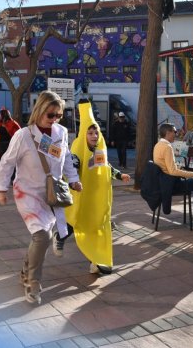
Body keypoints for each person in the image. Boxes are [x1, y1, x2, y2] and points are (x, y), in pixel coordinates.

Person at [0, 90, 82, 305]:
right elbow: (7, 162)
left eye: (58, 115)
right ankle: (33, 283)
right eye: (50, 115)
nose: (54, 119)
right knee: (42, 237)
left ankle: (26, 269)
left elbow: (67, 158)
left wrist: (73, 179)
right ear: (39, 111)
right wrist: (1, 189)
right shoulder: (23, 135)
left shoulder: (61, 132)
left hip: (51, 193)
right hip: (28, 194)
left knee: (44, 238)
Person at [56, 102, 131, 275]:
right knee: (80, 224)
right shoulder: (77, 148)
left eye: (96, 131)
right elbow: (70, 168)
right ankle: (60, 236)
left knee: (99, 226)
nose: (94, 135)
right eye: (90, 132)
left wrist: (119, 175)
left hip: (99, 198)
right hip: (83, 198)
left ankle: (99, 260)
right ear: (84, 133)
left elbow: (106, 166)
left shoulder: (100, 147)